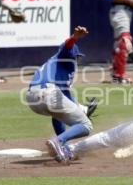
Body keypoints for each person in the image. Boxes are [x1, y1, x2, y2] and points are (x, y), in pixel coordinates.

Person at [26, 26, 98, 161]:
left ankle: (62, 145)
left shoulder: (55, 66)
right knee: (86, 125)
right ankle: (58, 141)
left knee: (58, 114)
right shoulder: (64, 56)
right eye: (77, 56)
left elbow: (67, 102)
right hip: (48, 93)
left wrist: (82, 109)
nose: (77, 59)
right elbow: (68, 47)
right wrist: (74, 38)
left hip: (32, 99)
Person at [105, 0, 133, 84]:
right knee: (125, 40)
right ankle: (120, 75)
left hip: (126, 12)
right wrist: (130, 1)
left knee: (119, 43)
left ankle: (116, 73)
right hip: (120, 11)